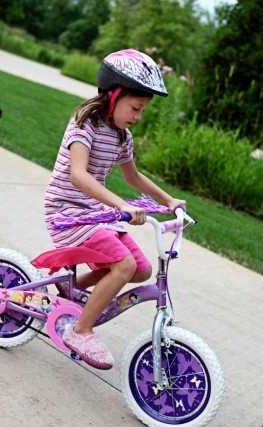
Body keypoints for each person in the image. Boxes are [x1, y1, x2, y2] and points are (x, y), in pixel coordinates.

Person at [43, 49, 186, 369]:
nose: (138, 116)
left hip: (96, 214)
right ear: (114, 94)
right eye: (135, 108)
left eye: (143, 110)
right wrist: (120, 204)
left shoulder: (122, 137)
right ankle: (81, 330)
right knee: (121, 265)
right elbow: (77, 175)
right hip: (68, 212)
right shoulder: (85, 125)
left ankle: (72, 290)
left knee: (141, 270)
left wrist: (168, 201)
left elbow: (132, 176)